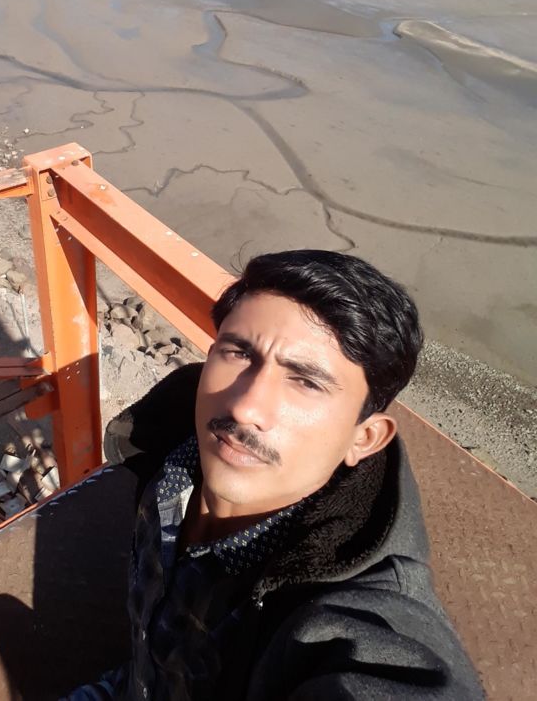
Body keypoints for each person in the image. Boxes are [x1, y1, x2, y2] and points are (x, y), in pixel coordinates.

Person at [69, 250, 482, 700]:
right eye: (239, 352)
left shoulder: (357, 613)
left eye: (306, 382)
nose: (246, 407)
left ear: (364, 439)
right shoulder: (168, 451)